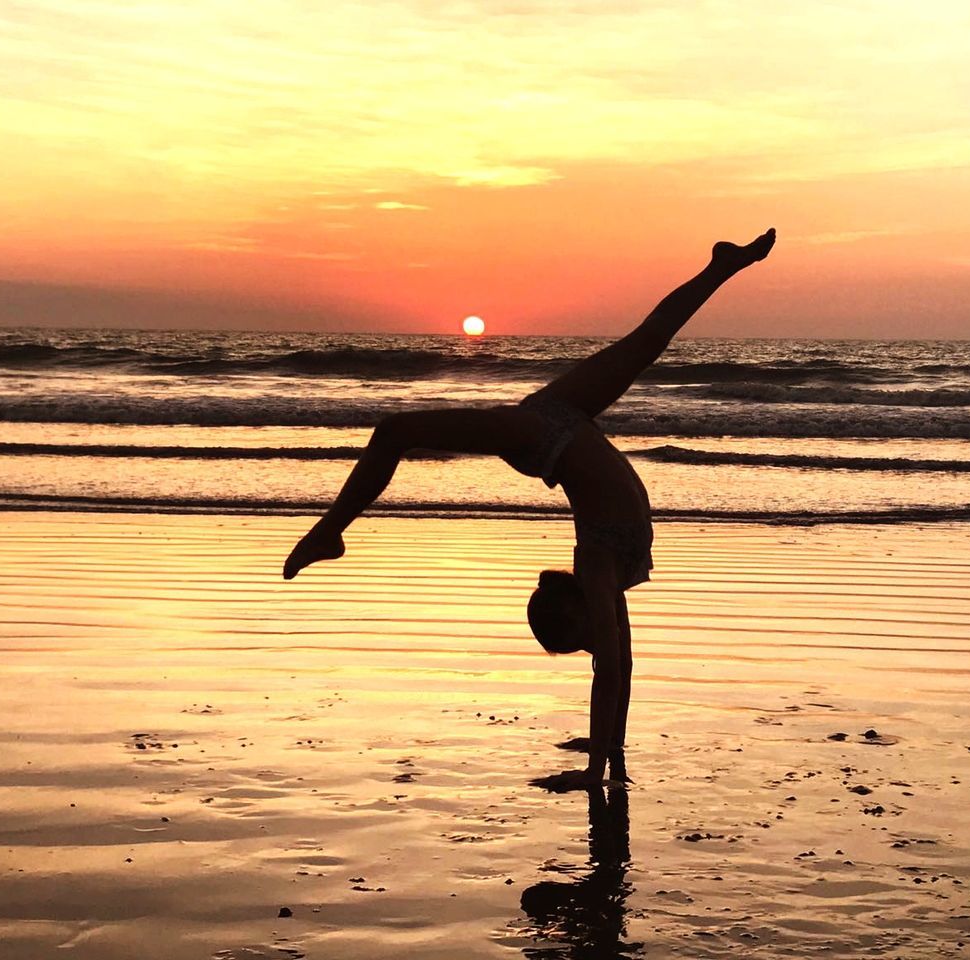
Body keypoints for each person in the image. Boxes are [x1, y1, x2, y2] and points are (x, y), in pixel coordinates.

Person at [283, 228, 777, 790]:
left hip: (541, 432)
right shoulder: (604, 577)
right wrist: (605, 750)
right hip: (560, 423)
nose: (595, 641)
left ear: (576, 606)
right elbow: (619, 668)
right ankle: (721, 268)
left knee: (396, 430)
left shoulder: (596, 567)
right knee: (646, 342)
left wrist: (594, 770)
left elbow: (611, 669)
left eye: (579, 636)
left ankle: (330, 533)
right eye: (584, 643)